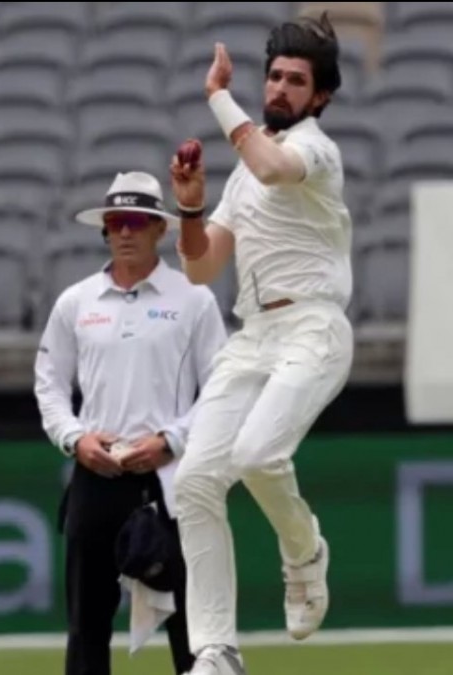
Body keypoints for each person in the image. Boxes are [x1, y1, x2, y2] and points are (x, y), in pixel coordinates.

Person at [168, 15, 352, 675]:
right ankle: (216, 650)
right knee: (193, 482)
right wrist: (191, 207)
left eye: (296, 80)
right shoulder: (245, 173)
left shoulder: (315, 150)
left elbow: (273, 167)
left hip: (313, 327)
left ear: (319, 96)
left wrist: (218, 95)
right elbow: (200, 267)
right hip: (254, 336)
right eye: (274, 76)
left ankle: (304, 553)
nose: (279, 88)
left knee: (256, 455)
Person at [35, 171, 227, 675]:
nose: (125, 232)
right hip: (96, 473)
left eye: (137, 222)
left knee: (192, 628)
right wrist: (75, 439)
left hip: (169, 480)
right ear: (105, 229)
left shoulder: (193, 299)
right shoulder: (76, 302)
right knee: (86, 625)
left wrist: (171, 440)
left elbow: (223, 387)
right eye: (117, 221)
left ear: (159, 228)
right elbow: (49, 385)